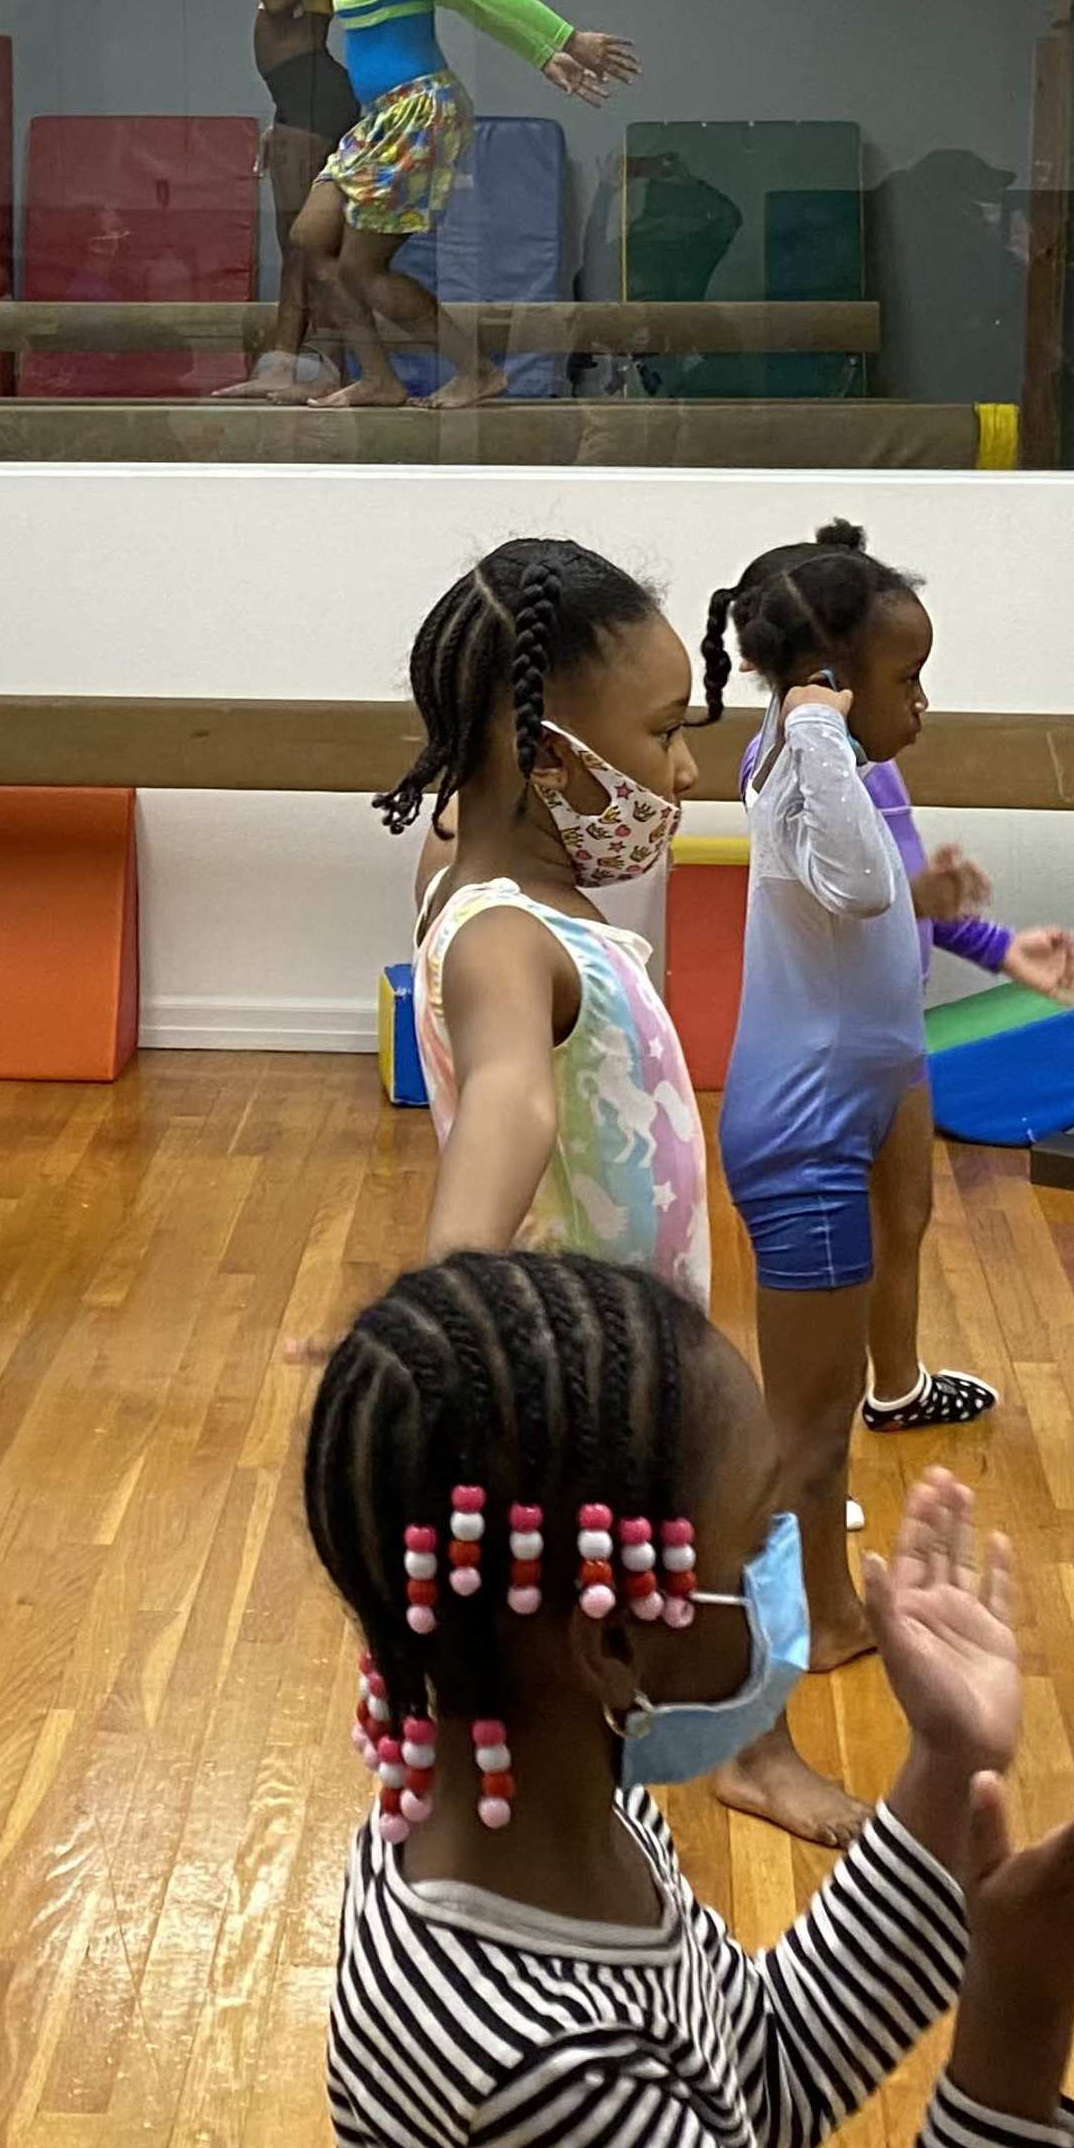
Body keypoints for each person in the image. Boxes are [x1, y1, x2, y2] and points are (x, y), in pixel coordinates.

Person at [307, 1249, 1074, 2148]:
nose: (782, 1565)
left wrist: (949, 1761)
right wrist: (1020, 2014)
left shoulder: (554, 1809)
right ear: (614, 1643)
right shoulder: (541, 2078)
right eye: (755, 1537)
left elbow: (772, 2064)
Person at [375, 535, 857, 1849]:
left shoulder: (506, 878)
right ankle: (613, 1797)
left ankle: (728, 1752)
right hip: (593, 1361)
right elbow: (516, 1102)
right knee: (652, 1570)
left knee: (711, 1540)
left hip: (650, 1329)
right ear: (545, 757)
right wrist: (435, 1318)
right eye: (661, 734)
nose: (687, 771)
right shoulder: (503, 934)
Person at [702, 529, 1074, 1763]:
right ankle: (806, 1618)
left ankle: (825, 1568)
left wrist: (1002, 944)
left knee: (842, 1378)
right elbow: (863, 892)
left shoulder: (853, 764)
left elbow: (899, 892)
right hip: (808, 1115)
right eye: (905, 678)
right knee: (807, 1427)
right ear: (825, 677)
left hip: (865, 1084)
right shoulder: (794, 760)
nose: (922, 702)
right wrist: (812, 715)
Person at [289, 0, 640, 411]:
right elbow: (465, 4)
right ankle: (380, 379)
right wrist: (539, 52)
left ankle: (475, 370)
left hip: (416, 111)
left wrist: (565, 38)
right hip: (380, 117)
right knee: (310, 239)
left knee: (361, 267)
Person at [225, 0, 356, 402]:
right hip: (294, 98)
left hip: (314, 95)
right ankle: (282, 364)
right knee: (293, 244)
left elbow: (278, 1)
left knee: (310, 245)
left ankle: (329, 361)